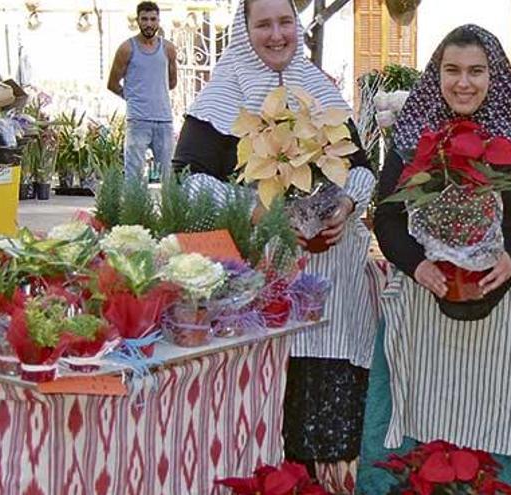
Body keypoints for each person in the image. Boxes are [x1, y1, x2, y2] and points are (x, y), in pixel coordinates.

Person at [358, 25, 511, 494]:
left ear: (494, 76)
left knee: (508, 411)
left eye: (476, 71)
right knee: (424, 408)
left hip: (508, 297)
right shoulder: (414, 135)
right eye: (452, 70)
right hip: (427, 301)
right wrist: (417, 265)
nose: (464, 83)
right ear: (437, 74)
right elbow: (388, 218)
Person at [172, 0, 378, 477]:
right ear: (244, 31)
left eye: (286, 21)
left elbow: (361, 168)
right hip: (262, 287)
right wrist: (258, 210)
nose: (277, 34)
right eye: (263, 23)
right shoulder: (223, 94)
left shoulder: (317, 88)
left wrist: (347, 205)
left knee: (329, 430)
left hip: (333, 294)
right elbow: (188, 181)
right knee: (268, 426)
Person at [107, 1, 177, 182]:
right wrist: (132, 97)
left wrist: (154, 91)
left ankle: (170, 211)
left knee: (168, 177)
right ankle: (134, 211)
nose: (148, 23)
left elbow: (172, 81)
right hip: (138, 121)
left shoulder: (168, 48)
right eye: (144, 19)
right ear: (137, 20)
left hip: (164, 121)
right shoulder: (127, 48)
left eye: (153, 19)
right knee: (134, 177)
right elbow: (113, 83)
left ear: (158, 21)